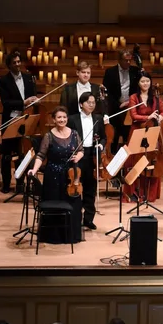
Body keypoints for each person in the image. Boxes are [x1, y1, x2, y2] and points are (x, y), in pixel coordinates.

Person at [30, 106, 83, 242]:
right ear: (53, 119)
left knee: (72, 203)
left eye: (64, 117)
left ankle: (71, 236)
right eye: (59, 117)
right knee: (54, 204)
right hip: (53, 175)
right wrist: (34, 170)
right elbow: (41, 155)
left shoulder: (75, 134)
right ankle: (53, 236)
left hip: (71, 176)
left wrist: (78, 157)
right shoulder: (48, 136)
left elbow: (81, 150)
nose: (62, 119)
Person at [0, 50, 41, 196]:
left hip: (26, 120)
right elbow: (6, 103)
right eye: (14, 63)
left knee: (22, 152)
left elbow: (33, 96)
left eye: (18, 62)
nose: (17, 65)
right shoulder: (3, 81)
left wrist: (35, 101)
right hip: (11, 119)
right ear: (9, 65)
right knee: (7, 153)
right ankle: (6, 184)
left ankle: (21, 184)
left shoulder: (29, 78)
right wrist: (23, 102)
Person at [123, 71, 163, 204]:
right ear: (138, 83)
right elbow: (133, 115)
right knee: (135, 162)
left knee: (151, 161)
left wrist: (160, 116)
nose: (145, 83)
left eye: (147, 81)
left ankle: (149, 193)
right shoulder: (133, 98)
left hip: (152, 132)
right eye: (143, 81)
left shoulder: (155, 97)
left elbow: (162, 111)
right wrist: (147, 117)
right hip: (137, 131)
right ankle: (134, 193)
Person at [72, 90, 106, 230]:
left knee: (90, 189)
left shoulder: (98, 118)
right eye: (89, 102)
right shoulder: (72, 119)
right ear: (81, 104)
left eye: (93, 102)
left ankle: (88, 219)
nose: (92, 105)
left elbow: (104, 137)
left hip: (92, 155)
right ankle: (75, 217)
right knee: (76, 187)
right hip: (78, 155)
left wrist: (101, 144)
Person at [102, 47, 140, 149]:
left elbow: (139, 89)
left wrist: (130, 102)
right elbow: (107, 93)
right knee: (114, 137)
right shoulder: (110, 72)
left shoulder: (136, 71)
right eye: (125, 60)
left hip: (130, 109)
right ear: (119, 60)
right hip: (115, 110)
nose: (128, 62)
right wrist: (119, 104)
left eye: (129, 60)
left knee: (128, 138)